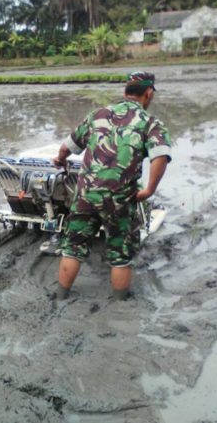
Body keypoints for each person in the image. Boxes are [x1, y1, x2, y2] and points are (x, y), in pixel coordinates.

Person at [53, 71, 172, 301]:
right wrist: (149, 190)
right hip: (119, 197)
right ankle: (119, 303)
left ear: (126, 91)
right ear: (148, 93)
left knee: (73, 247)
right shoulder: (150, 123)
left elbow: (68, 146)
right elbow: (161, 156)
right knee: (120, 253)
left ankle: (60, 295)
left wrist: (60, 159)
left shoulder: (98, 114)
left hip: (86, 193)